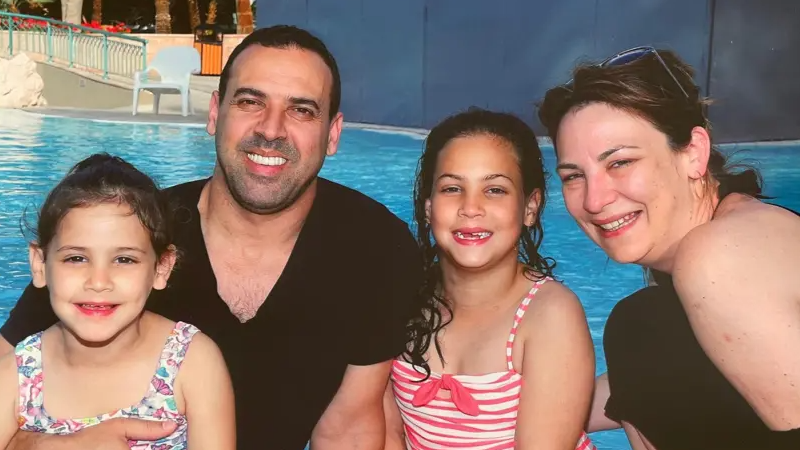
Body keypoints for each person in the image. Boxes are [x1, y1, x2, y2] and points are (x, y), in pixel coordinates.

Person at [0, 25, 423, 450]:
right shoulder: (129, 237)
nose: (271, 130)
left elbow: (348, 424)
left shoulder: (375, 245)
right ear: (214, 112)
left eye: (301, 110)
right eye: (250, 102)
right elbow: (11, 366)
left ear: (332, 134)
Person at [538, 46, 800, 449]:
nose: (593, 200)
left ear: (693, 153)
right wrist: (524, 406)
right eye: (574, 176)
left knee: (639, 327)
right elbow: (675, 375)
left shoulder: (719, 257)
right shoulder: (739, 229)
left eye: (620, 162)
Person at [383, 108, 596, 450]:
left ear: (530, 207)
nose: (471, 207)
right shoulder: (404, 297)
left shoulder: (548, 316)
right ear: (428, 207)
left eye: (495, 190)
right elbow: (386, 435)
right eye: (452, 188)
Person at [0, 153, 235, 449]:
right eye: (76, 258)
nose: (99, 282)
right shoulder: (18, 375)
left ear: (161, 268)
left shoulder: (190, 361)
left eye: (124, 259)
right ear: (39, 264)